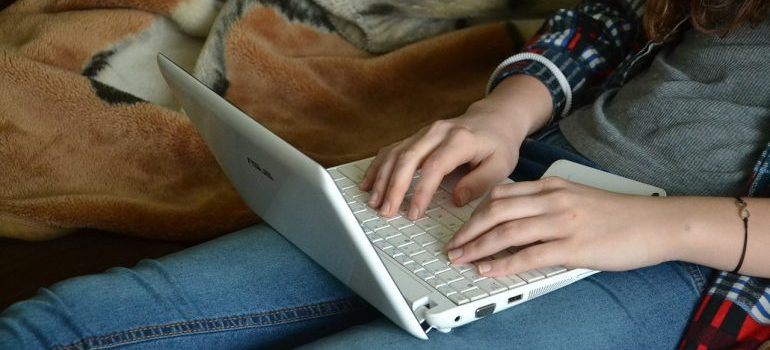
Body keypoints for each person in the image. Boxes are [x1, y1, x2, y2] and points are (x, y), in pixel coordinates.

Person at [1, 0, 769, 348]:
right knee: (66, 322)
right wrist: (499, 115)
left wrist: (653, 225)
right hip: (526, 173)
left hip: (683, 258)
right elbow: (612, 20)